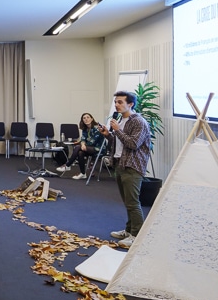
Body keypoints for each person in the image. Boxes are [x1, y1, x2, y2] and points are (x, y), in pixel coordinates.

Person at [99, 91, 152, 248]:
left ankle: (137, 236)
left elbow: (133, 144)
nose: (116, 105)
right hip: (120, 164)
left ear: (130, 104)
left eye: (120, 102)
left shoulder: (139, 122)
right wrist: (108, 135)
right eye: (116, 102)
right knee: (127, 202)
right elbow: (119, 143)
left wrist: (117, 130)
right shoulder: (121, 120)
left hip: (132, 166)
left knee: (133, 203)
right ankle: (129, 230)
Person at [56, 113, 107, 179]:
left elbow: (93, 141)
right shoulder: (85, 129)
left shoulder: (97, 128)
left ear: (92, 119)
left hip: (99, 149)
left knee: (78, 147)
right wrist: (82, 144)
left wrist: (82, 145)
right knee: (80, 152)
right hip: (89, 148)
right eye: (84, 118)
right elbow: (83, 139)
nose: (86, 119)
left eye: (88, 117)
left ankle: (68, 165)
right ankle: (83, 174)